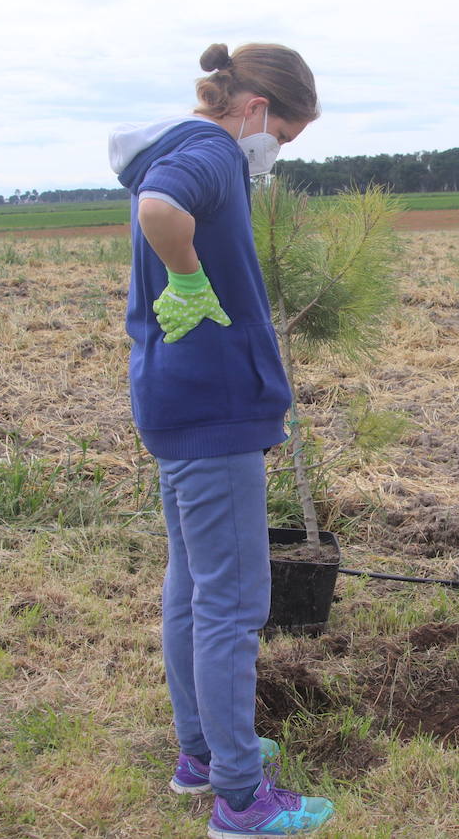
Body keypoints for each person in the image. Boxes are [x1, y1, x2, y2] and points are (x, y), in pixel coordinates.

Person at [109, 42, 333, 837]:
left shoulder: (177, 145)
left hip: (177, 400)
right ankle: (240, 798)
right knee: (234, 605)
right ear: (258, 113)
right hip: (216, 408)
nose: (276, 157)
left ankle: (202, 754)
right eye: (286, 138)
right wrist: (193, 280)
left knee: (192, 590)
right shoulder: (208, 150)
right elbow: (161, 212)